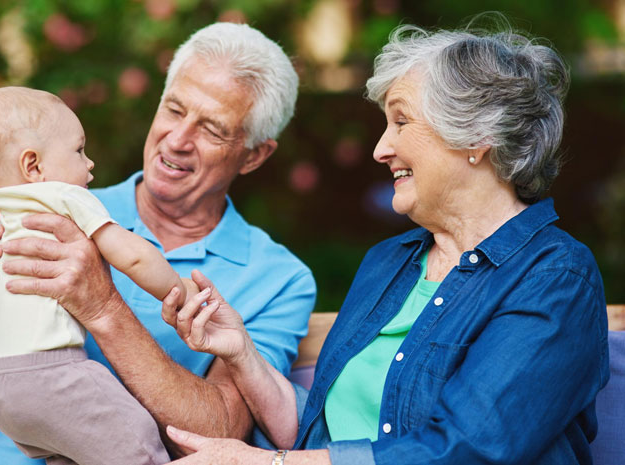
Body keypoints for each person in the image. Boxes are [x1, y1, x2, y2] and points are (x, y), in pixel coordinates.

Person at [160, 18, 610, 465]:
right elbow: (322, 432)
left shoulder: (556, 276)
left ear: (476, 134)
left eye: (401, 121)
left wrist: (265, 464)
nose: (380, 148)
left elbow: (469, 450)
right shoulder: (389, 262)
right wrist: (243, 353)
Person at [0, 22, 316, 465]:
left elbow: (217, 433)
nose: (177, 140)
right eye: (174, 109)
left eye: (211, 129)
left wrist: (102, 307)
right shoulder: (50, 207)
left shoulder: (278, 279)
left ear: (253, 155)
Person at [0, 85, 205, 465]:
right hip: (51, 375)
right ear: (34, 166)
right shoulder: (62, 196)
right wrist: (181, 290)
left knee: (71, 454)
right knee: (134, 438)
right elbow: (134, 258)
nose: (89, 163)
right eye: (79, 150)